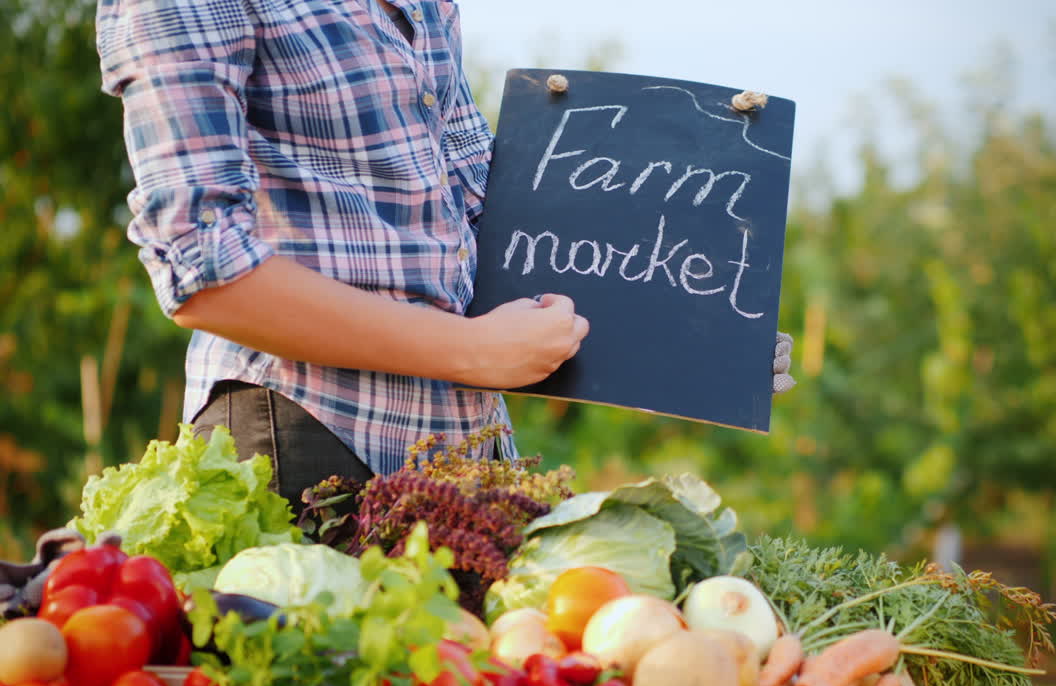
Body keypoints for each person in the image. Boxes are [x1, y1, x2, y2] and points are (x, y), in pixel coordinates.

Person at [97, 0, 793, 510]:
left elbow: (486, 223)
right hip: (304, 444)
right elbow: (202, 268)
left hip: (465, 457)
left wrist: (698, 337)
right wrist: (472, 352)